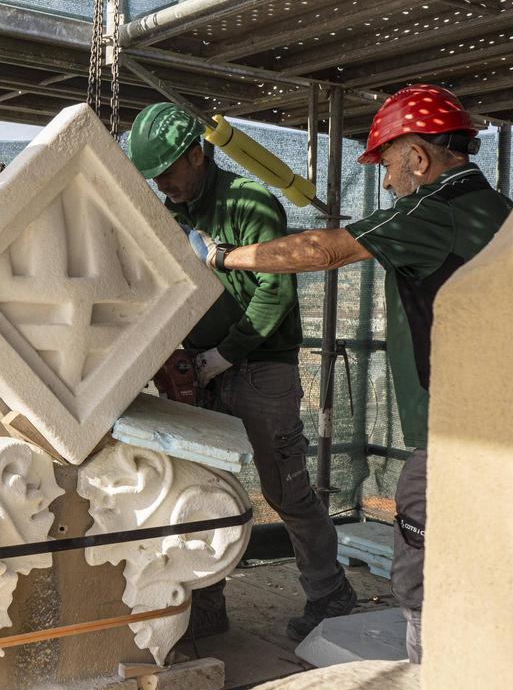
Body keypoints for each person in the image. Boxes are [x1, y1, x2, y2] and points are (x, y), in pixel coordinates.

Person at [187, 84, 513, 662]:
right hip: (500, 416)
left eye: (387, 164)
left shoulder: (434, 209)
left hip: (454, 428)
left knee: (417, 561)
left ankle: (432, 676)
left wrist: (220, 257)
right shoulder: (502, 209)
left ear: (418, 157)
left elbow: (323, 250)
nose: (385, 182)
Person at [129, 102, 356, 641]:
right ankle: (207, 607)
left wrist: (222, 356)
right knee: (200, 490)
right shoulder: (173, 215)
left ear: (195, 154)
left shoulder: (250, 203)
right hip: (200, 369)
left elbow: (275, 293)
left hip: (259, 369)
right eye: (154, 176)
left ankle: (330, 594)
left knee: (286, 490)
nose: (162, 185)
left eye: (168, 171)